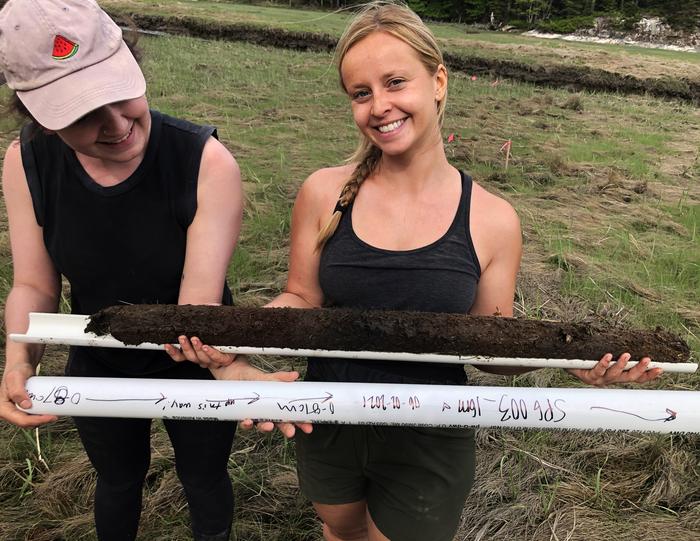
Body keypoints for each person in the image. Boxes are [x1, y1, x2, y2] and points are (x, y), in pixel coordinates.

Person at [170, 2, 663, 540]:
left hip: (431, 431)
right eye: (361, 93)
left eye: (395, 82)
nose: (379, 106)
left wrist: (571, 361)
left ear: (439, 81)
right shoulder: (323, 193)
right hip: (326, 417)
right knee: (340, 532)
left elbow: (492, 348)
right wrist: (233, 341)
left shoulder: (493, 219)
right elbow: (301, 298)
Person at [0, 1, 299, 540]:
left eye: (119, 94)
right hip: (99, 354)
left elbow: (195, 308)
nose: (115, 125)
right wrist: (20, 358)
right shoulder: (26, 162)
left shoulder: (205, 162)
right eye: (81, 113)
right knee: (117, 478)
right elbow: (34, 283)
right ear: (35, 113)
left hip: (195, 347)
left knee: (203, 474)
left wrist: (223, 365)